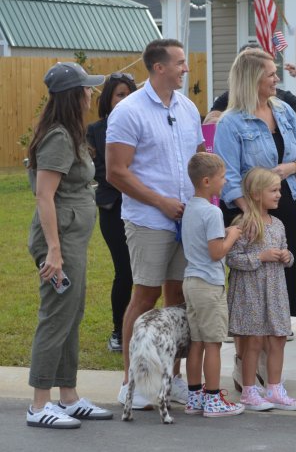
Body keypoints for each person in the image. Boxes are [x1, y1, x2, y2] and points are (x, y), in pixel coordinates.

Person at [107, 39, 204, 409]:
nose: (186, 68)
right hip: (149, 219)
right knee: (145, 297)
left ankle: (170, 379)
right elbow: (117, 172)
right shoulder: (128, 111)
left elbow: (198, 159)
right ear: (159, 67)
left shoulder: (188, 107)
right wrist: (161, 202)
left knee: (177, 300)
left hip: (185, 220)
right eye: (180, 62)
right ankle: (130, 382)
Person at [26, 62, 113, 429]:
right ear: (73, 95)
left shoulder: (70, 132)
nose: (91, 94)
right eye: (86, 89)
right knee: (56, 316)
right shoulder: (59, 137)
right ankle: (39, 404)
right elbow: (44, 196)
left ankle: (69, 397)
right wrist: (54, 250)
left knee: (72, 314)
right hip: (58, 241)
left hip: (71, 238)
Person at [214, 48, 296, 319]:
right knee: (253, 269)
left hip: (287, 202)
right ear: (252, 79)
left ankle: (281, 322)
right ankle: (248, 325)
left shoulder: (285, 111)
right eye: (271, 74)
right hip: (249, 210)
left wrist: (293, 167)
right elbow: (228, 176)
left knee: (284, 261)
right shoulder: (230, 122)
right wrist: (252, 214)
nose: (277, 79)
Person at [227, 167, 296, 410]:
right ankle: (249, 391)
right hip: (251, 292)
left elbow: (286, 252)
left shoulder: (278, 224)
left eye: (279, 189)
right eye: (273, 190)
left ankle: (274, 389)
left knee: (279, 338)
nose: (279, 194)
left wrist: (287, 257)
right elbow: (232, 258)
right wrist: (259, 257)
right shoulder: (244, 224)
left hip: (275, 291)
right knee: (254, 341)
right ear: (256, 194)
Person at [181, 153, 244, 417]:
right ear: (207, 181)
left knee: (196, 342)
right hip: (209, 284)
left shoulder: (190, 208)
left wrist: (224, 235)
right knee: (213, 343)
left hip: (191, 282)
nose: (225, 181)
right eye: (222, 177)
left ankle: (194, 397)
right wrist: (233, 235)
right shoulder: (212, 211)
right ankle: (214, 399)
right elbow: (217, 252)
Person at [86, 73, 137, 353]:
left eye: (129, 94)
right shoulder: (96, 130)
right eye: (120, 95)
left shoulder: (142, 124)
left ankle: (141, 328)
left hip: (144, 206)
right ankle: (119, 330)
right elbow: (100, 171)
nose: (125, 100)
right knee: (125, 271)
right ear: (108, 99)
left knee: (148, 274)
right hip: (113, 207)